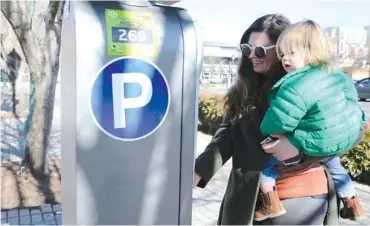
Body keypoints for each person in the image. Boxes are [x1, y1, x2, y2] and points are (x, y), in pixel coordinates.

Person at [194, 14, 340, 225]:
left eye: (261, 50)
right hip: (250, 198)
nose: (253, 55)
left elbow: (348, 130)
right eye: (247, 49)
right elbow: (227, 136)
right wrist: (199, 171)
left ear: (283, 50)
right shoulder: (244, 89)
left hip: (299, 197)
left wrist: (299, 146)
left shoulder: (310, 83)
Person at [256, 19, 367, 222]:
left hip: (304, 150)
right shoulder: (338, 77)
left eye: (291, 53)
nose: (285, 59)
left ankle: (270, 202)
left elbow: (281, 118)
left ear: (311, 51)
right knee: (337, 168)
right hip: (331, 144)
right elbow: (353, 108)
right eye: (282, 55)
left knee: (265, 166)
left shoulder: (296, 84)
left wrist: (267, 131)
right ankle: (353, 204)